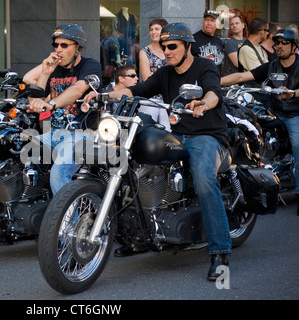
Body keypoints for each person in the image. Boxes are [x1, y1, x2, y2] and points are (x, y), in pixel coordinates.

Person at [85, 22, 231, 280]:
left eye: (172, 46)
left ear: (187, 46)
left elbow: (213, 92)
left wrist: (203, 104)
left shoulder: (205, 66)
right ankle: (138, 235)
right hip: (177, 134)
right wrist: (106, 95)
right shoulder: (164, 74)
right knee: (137, 163)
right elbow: (139, 90)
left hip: (207, 135)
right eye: (164, 47)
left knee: (203, 179)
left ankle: (219, 251)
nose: (167, 51)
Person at [0, 24, 102, 247]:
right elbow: (33, 94)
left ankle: (70, 230)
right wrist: (46, 72)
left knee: (59, 171)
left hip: (83, 134)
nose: (58, 49)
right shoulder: (54, 68)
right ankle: (5, 225)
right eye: (55, 45)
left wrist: (50, 103)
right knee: (10, 158)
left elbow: (77, 91)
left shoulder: (91, 66)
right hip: (54, 133)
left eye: (64, 45)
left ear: (77, 47)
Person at [221, 28, 299, 215]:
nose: (279, 46)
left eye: (284, 42)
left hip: (294, 113)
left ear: (294, 47)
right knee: (248, 130)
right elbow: (242, 76)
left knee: (298, 144)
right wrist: (213, 82)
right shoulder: (271, 66)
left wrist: (293, 93)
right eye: (277, 42)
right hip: (274, 112)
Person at [191, 10, 225, 75]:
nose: (209, 23)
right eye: (207, 20)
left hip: (216, 80)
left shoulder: (219, 41)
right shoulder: (193, 40)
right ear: (202, 22)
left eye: (212, 20)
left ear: (218, 24)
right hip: (199, 81)